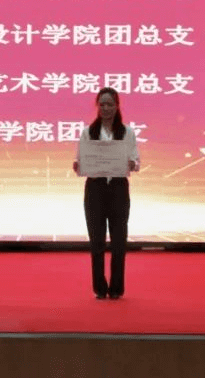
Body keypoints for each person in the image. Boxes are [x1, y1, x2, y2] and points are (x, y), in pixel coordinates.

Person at [72, 87, 140, 299]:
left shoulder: (127, 132)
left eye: (110, 104)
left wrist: (132, 163)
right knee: (97, 241)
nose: (106, 108)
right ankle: (100, 289)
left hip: (118, 188)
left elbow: (136, 161)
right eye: (102, 104)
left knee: (119, 241)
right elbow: (80, 160)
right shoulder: (88, 132)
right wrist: (78, 165)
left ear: (117, 106)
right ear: (97, 106)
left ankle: (117, 288)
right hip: (95, 188)